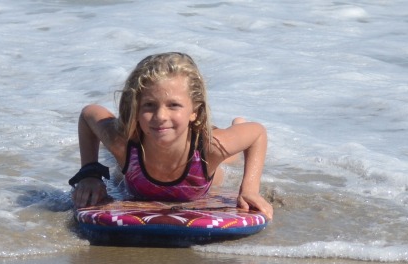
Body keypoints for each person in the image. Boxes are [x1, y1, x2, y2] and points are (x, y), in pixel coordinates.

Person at [69, 52, 273, 220]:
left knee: (230, 156)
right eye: (149, 105)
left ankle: (237, 125)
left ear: (195, 111)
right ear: (136, 109)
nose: (160, 116)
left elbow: (257, 134)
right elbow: (88, 114)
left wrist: (249, 189)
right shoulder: (124, 144)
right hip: (150, 151)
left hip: (202, 159)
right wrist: (90, 173)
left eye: (173, 105)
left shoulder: (210, 149)